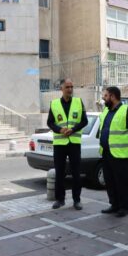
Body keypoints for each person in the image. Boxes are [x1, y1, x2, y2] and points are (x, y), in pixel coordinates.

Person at [99, 86, 128, 217]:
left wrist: (122, 141)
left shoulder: (126, 110)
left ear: (112, 96)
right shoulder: (106, 110)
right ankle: (114, 204)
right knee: (109, 180)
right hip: (106, 152)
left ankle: (123, 207)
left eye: (105, 96)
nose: (103, 98)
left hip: (119, 153)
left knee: (121, 181)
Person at [47, 79, 88, 210]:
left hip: (74, 143)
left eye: (71, 87)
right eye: (67, 87)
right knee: (59, 172)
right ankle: (60, 199)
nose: (70, 89)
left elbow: (84, 121)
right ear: (62, 88)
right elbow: (50, 122)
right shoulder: (54, 104)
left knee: (76, 173)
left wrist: (73, 129)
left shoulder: (78, 102)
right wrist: (60, 130)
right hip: (60, 143)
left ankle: (77, 200)